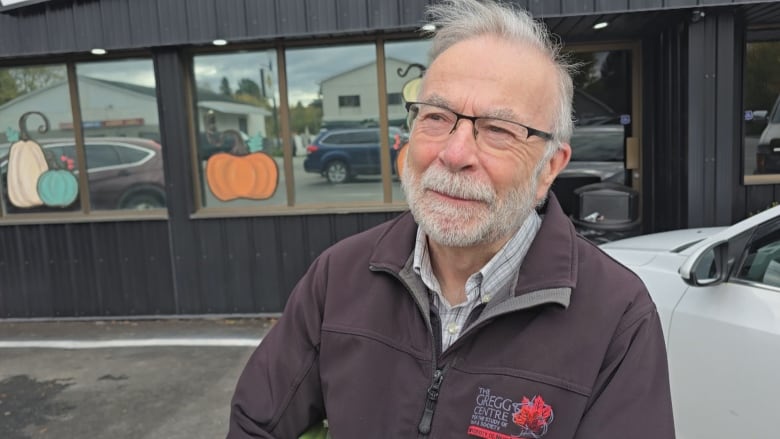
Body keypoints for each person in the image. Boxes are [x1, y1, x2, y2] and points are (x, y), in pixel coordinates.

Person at [227, 0, 675, 437]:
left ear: (551, 167)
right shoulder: (337, 278)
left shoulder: (617, 317)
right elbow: (255, 424)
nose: (454, 154)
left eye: (498, 129)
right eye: (437, 117)